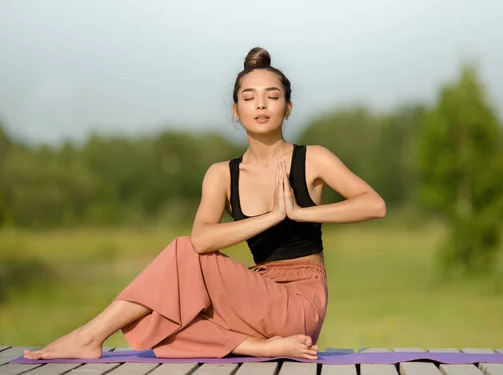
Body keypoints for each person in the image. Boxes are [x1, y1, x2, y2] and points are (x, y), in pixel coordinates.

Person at [24, 47, 386, 361]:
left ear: (287, 107)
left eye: (272, 96)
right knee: (165, 320)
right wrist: (271, 216)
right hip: (253, 295)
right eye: (249, 97)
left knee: (180, 255)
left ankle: (88, 336)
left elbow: (374, 205)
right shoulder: (220, 175)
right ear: (235, 110)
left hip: (300, 304)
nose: (260, 104)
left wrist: (300, 212)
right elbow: (202, 239)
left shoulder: (313, 159)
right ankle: (258, 348)